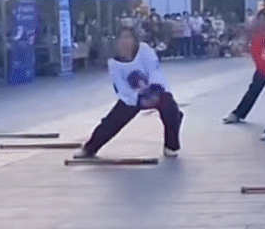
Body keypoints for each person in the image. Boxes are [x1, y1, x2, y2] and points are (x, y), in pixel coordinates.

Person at [74, 27, 183, 159]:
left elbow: (155, 71)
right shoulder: (114, 62)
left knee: (170, 109)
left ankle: (171, 146)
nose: (124, 41)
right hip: (133, 97)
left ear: (135, 40)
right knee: (111, 122)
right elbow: (121, 89)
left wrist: (154, 92)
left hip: (155, 91)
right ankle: (89, 149)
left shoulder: (144, 50)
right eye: (122, 38)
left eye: (128, 37)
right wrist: (139, 100)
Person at [224, 11, 265, 124]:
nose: (261, 22)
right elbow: (254, 50)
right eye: (260, 19)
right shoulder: (256, 33)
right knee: (254, 90)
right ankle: (237, 114)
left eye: (264, 19)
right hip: (264, 66)